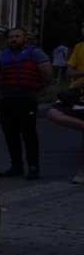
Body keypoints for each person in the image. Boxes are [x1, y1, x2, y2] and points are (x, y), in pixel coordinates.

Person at [0, 27, 52, 180]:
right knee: (10, 133)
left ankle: (33, 166)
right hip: (6, 98)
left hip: (26, 98)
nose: (14, 39)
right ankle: (16, 165)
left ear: (24, 38)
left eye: (17, 36)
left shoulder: (35, 52)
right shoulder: (5, 54)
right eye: (11, 36)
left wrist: (38, 88)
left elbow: (46, 73)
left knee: (28, 133)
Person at [46, 24, 84, 184]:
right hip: (75, 94)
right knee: (52, 113)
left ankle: (81, 172)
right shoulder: (79, 46)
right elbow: (69, 72)